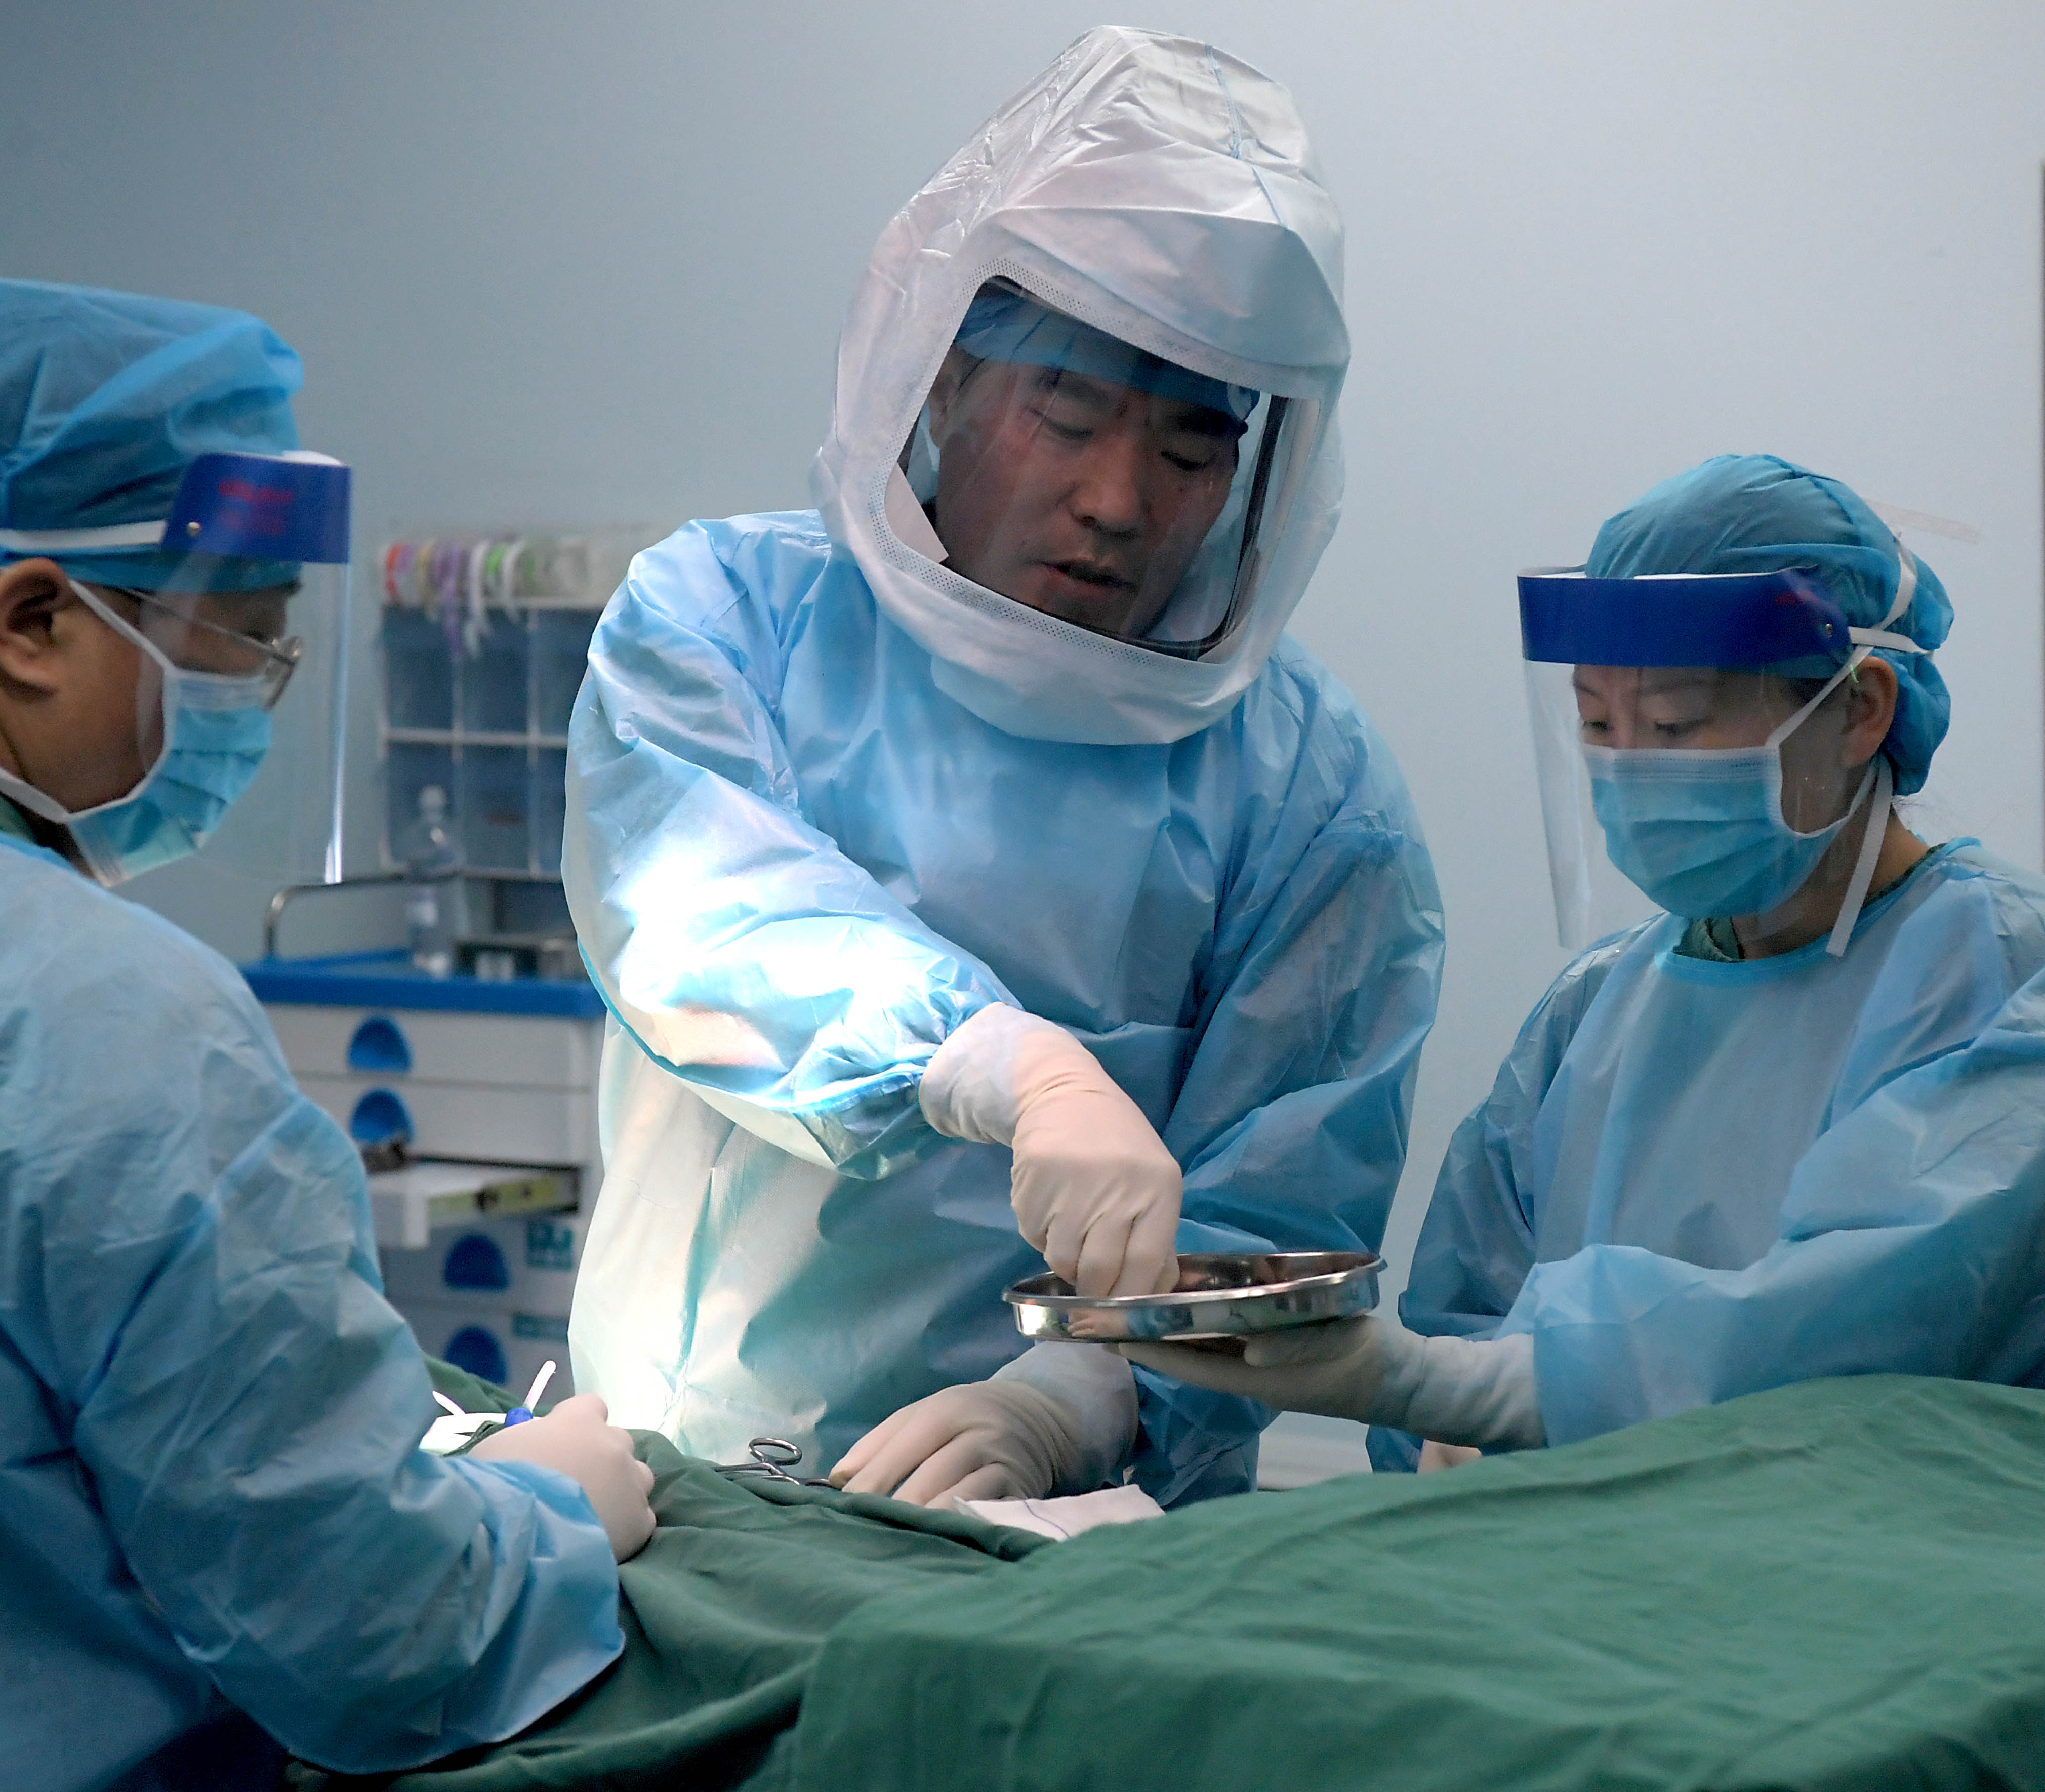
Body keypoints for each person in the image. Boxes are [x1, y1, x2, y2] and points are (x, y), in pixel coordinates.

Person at [0, 272, 655, 1791]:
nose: (254, 700)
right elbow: (372, 1633)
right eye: (243, 640)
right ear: (34, 620)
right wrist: (544, 1513)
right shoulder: (97, 1010)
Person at [563, 27, 1442, 1509]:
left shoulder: (1311, 790)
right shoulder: (721, 624)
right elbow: (710, 924)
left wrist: (1084, 1397)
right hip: (696, 1466)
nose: (1117, 500)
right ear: (947, 384)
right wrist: (1003, 1061)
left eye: (1188, 451)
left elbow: (1283, 1190)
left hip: (1076, 1524)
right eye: (1068, 414)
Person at [1122, 454, 2045, 1459]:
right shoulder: (1594, 1015)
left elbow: (1866, 1331)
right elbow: (1470, 1317)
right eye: (1598, 726)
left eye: (1677, 725)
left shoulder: (2036, 994)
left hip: (1960, 1578)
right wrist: (1449, 1435)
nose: (1629, 769)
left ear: (1858, 712)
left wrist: (1466, 1386)